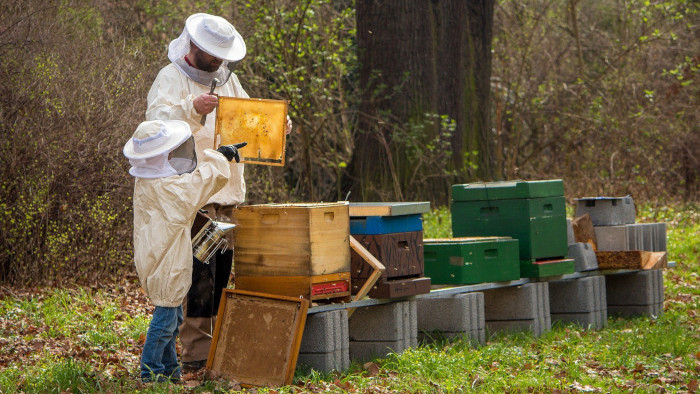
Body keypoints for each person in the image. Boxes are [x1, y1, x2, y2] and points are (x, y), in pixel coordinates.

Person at [145, 13, 292, 372]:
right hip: (194, 196)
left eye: (222, 55)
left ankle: (213, 350)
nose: (219, 61)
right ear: (194, 46)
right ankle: (196, 353)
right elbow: (154, 127)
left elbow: (248, 123)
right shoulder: (171, 78)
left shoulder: (229, 79)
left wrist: (277, 127)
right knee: (199, 276)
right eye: (213, 54)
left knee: (220, 273)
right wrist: (191, 109)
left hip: (228, 196)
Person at [123, 119, 245, 383]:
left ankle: (170, 371)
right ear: (160, 154)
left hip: (158, 255)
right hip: (165, 261)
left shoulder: (148, 182)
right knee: (166, 318)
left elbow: (186, 183)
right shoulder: (168, 189)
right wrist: (219, 157)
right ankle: (150, 373)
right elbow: (196, 186)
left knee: (173, 314)